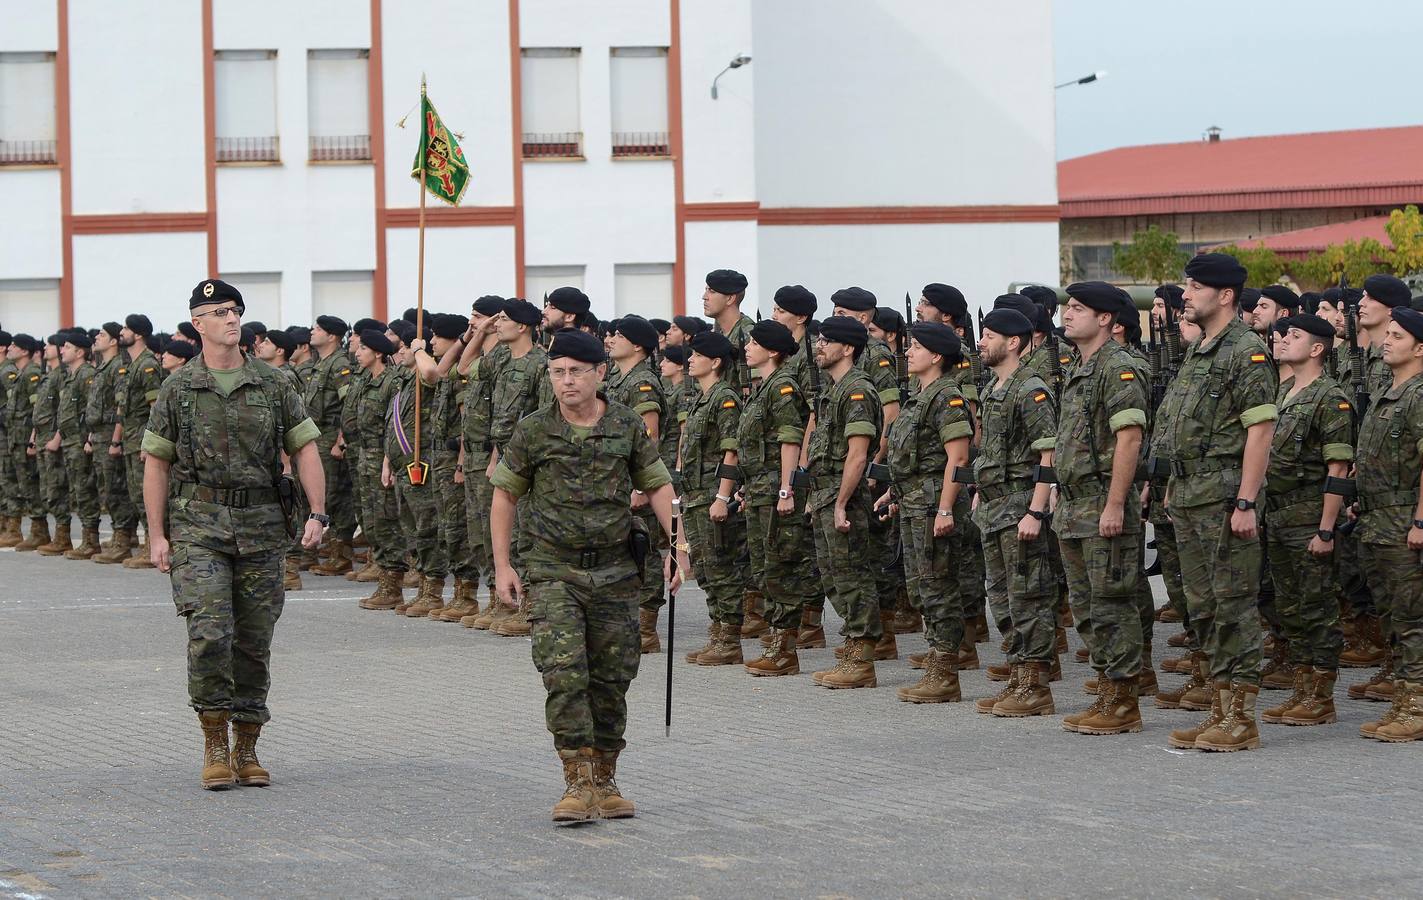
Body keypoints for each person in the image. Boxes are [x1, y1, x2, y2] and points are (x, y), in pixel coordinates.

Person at [489, 328, 684, 823]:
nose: (567, 381)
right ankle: (576, 782)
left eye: (577, 372)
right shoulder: (533, 430)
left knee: (612, 678)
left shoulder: (626, 426)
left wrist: (679, 543)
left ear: (600, 374)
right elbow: (504, 496)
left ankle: (606, 778)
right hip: (554, 569)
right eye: (558, 372)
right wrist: (502, 565)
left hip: (617, 572)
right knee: (565, 674)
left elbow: (657, 484)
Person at [141, 279, 326, 790]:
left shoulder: (274, 383)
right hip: (199, 527)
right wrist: (157, 535)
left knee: (253, 641)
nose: (230, 319)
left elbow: (305, 447)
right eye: (218, 311)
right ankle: (214, 743)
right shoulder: (178, 388)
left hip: (262, 528)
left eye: (235, 310)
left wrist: (318, 511)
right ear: (197, 324)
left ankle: (247, 746)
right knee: (208, 635)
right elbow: (155, 462)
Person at [1165, 253, 1278, 753]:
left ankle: (1241, 718)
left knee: (1233, 606)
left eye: (1194, 286)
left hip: (1225, 496)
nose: (1185, 294)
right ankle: (1218, 705)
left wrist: (1247, 501)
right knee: (1204, 608)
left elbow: (1260, 429)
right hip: (1191, 497)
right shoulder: (1201, 349)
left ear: (1225, 294)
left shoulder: (1246, 351)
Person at [1054, 283, 1150, 734]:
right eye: (1068, 307)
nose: (1068, 314)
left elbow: (1128, 439)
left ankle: (1124, 699)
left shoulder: (1119, 368)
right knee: (1087, 606)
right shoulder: (1080, 367)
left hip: (1102, 504)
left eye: (1078, 309)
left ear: (1107, 319)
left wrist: (1115, 504)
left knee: (1112, 604)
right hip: (1074, 506)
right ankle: (1106, 688)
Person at [1257, 313, 1351, 728]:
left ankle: (1321, 695)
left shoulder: (1330, 397)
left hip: (1308, 516)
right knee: (1289, 606)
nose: (1284, 339)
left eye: (1294, 335)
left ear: (1316, 348)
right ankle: (1301, 686)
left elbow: (1338, 468)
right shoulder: (1282, 393)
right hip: (1276, 517)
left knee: (1317, 607)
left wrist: (1326, 529)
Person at [970, 309, 1059, 717]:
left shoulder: (1031, 389)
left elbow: (1048, 452)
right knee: (1001, 596)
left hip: (1020, 505)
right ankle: (1017, 674)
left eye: (989, 336)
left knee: (1028, 596)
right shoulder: (993, 388)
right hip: (994, 507)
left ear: (1014, 343)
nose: (981, 342)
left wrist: (1037, 510)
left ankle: (1035, 685)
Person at [882, 321, 974, 702]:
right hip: (916, 504)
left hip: (935, 505)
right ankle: (937, 659)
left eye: (916, 347)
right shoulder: (919, 396)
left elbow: (959, 457)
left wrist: (946, 509)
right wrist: (893, 493)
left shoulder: (946, 396)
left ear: (936, 356)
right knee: (923, 587)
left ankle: (946, 672)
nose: (908, 352)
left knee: (939, 587)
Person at [1354, 290, 1423, 743]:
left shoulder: (1419, 395)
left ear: (1420, 348)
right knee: (1392, 617)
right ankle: (1402, 699)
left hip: (1404, 523)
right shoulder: (1387, 390)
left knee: (1413, 616)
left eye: (1398, 337)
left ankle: (1416, 706)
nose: (1387, 341)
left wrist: (1421, 521)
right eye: (1388, 335)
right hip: (1378, 521)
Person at [804, 315, 885, 689]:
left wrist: (840, 502)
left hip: (844, 497)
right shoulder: (832, 391)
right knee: (835, 577)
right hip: (826, 495)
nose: (819, 345)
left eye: (827, 340)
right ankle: (853, 645)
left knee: (853, 576)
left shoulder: (857, 390)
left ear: (847, 348)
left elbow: (857, 454)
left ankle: (862, 658)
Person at [737, 319, 817, 676]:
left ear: (772, 351)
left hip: (775, 491)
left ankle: (784, 648)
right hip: (759, 489)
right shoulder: (763, 387)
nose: (746, 348)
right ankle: (775, 641)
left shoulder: (782, 387)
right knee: (764, 567)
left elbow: (790, 439)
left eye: (753, 343)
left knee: (780, 566)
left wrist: (787, 488)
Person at [678, 330, 750, 665]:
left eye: (696, 354)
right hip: (695, 495)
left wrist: (723, 496)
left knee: (721, 567)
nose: (690, 360)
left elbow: (731, 451)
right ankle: (717, 631)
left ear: (715, 362)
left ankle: (729, 639)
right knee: (706, 569)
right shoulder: (701, 399)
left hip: (711, 493)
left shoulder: (725, 398)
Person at [603, 315, 669, 652]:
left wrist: (641, 487)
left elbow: (650, 436)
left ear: (638, 346)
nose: (610, 339)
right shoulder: (618, 379)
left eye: (618, 335)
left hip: (638, 482)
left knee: (644, 551)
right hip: (618, 480)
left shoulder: (642, 382)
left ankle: (646, 630)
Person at [455, 296, 509, 628]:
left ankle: (506, 599)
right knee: (479, 531)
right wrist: (475, 334)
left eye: (479, 316)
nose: (473, 321)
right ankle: (493, 596)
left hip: (492, 453)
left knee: (496, 531)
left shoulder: (504, 357)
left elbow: (505, 416)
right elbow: (462, 368)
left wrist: (495, 456)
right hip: (473, 453)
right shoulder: (488, 356)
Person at [352, 328, 408, 611]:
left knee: (387, 522)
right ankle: (383, 580)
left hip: (382, 457)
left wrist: (390, 460)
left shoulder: (391, 382)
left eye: (362, 349)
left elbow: (393, 425)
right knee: (372, 522)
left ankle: (392, 586)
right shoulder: (366, 381)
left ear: (377, 353)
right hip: (365, 457)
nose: (357, 353)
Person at [302, 316, 356, 576]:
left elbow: (348, 404)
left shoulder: (340, 364)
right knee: (321, 495)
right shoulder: (319, 364)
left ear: (333, 336)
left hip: (331, 436)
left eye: (319, 329)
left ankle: (341, 555)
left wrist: (340, 440)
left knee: (334, 497)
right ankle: (316, 550)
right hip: (317, 436)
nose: (313, 332)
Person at [114, 314, 163, 569]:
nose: (122, 332)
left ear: (139, 334)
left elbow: (155, 408)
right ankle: (148, 543)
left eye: (126, 328)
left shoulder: (147, 366)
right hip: (131, 440)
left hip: (142, 440)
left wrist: (149, 444)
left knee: (146, 494)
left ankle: (152, 545)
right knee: (135, 493)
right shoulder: (132, 365)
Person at [86, 323, 138, 562]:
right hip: (99, 435)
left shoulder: (118, 367)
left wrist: (116, 439)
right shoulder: (102, 367)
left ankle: (123, 540)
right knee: (106, 488)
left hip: (110, 435)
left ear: (114, 341)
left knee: (116, 490)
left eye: (103, 335)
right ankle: (120, 536)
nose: (97, 337)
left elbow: (120, 407)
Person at [55, 332, 100, 558]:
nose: (62, 350)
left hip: (81, 442)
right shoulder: (71, 376)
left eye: (67, 347)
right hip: (70, 442)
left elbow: (90, 410)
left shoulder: (86, 375)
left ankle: (91, 540)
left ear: (80, 352)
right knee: (78, 490)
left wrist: (88, 439)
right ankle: (86, 539)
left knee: (85, 490)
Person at [5, 334, 44, 549]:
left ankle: (39, 531)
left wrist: (33, 438)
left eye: (14, 345)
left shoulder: (31, 375)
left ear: (25, 351)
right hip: (16, 438)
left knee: (30, 484)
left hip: (25, 439)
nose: (9, 348)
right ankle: (27, 530)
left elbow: (36, 410)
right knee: (22, 484)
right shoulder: (21, 374)